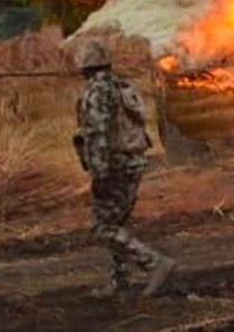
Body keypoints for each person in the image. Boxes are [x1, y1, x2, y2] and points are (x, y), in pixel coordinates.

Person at [73, 39, 176, 299]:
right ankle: (120, 281)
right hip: (134, 161)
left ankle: (155, 263)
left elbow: (98, 135)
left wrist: (99, 173)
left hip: (114, 166)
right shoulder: (123, 86)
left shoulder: (96, 91)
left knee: (103, 227)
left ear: (84, 65)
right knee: (116, 223)